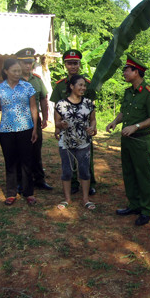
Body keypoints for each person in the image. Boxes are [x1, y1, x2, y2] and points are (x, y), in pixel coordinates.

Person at [106, 56, 150, 226]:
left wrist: (136, 126)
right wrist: (115, 121)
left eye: (126, 70)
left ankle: (147, 210)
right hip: (127, 140)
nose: (123, 73)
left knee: (143, 175)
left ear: (136, 72)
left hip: (140, 141)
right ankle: (134, 205)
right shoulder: (128, 92)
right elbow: (124, 112)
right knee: (129, 173)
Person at [0, 58, 38, 206]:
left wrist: (35, 128)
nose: (18, 73)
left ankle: (28, 192)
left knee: (26, 161)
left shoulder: (27, 87)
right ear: (6, 71)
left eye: (19, 70)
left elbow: (33, 108)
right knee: (10, 162)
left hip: (25, 128)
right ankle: (11, 193)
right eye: (14, 71)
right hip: (6, 130)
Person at [50, 49, 97, 195]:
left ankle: (89, 183)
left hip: (84, 130)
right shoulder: (59, 86)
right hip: (67, 129)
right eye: (70, 63)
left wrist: (93, 127)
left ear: (79, 64)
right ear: (65, 65)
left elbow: (92, 109)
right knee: (69, 158)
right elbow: (56, 108)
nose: (73, 66)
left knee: (87, 157)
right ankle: (74, 184)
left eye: (75, 63)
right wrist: (57, 128)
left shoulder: (87, 84)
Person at [54, 74, 97, 210]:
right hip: (66, 143)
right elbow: (56, 123)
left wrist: (93, 128)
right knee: (67, 171)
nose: (83, 88)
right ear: (72, 86)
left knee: (84, 171)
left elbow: (93, 120)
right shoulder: (60, 104)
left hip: (84, 142)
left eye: (84, 85)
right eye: (80, 85)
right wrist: (61, 125)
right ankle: (67, 199)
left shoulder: (89, 103)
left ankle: (85, 199)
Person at [16, 48, 52, 191]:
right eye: (24, 63)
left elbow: (43, 98)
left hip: (35, 122)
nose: (27, 66)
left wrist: (45, 118)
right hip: (19, 123)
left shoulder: (36, 80)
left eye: (30, 63)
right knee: (20, 153)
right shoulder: (13, 80)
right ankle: (21, 181)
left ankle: (39, 179)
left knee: (36, 152)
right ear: (18, 63)